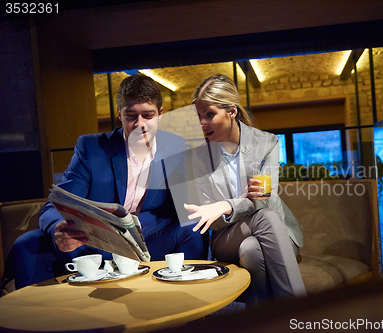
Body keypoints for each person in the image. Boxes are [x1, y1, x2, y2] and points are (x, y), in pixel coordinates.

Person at [4, 74, 205, 289]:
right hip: (93, 242)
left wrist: (137, 223)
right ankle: (35, 317)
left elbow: (181, 208)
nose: (140, 124)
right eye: (131, 116)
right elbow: (53, 206)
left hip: (147, 239)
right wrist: (58, 230)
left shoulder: (175, 147)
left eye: (148, 115)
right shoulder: (92, 148)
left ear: (160, 114)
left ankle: (190, 303)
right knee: (27, 244)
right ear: (119, 114)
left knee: (190, 229)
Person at [184, 74, 306, 305]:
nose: (202, 124)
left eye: (210, 115)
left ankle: (260, 321)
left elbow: (264, 200)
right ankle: (300, 313)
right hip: (227, 237)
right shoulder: (197, 157)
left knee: (251, 250)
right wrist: (238, 202)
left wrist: (226, 205)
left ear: (231, 111)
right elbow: (212, 221)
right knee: (265, 218)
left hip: (278, 232)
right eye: (199, 116)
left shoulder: (266, 143)